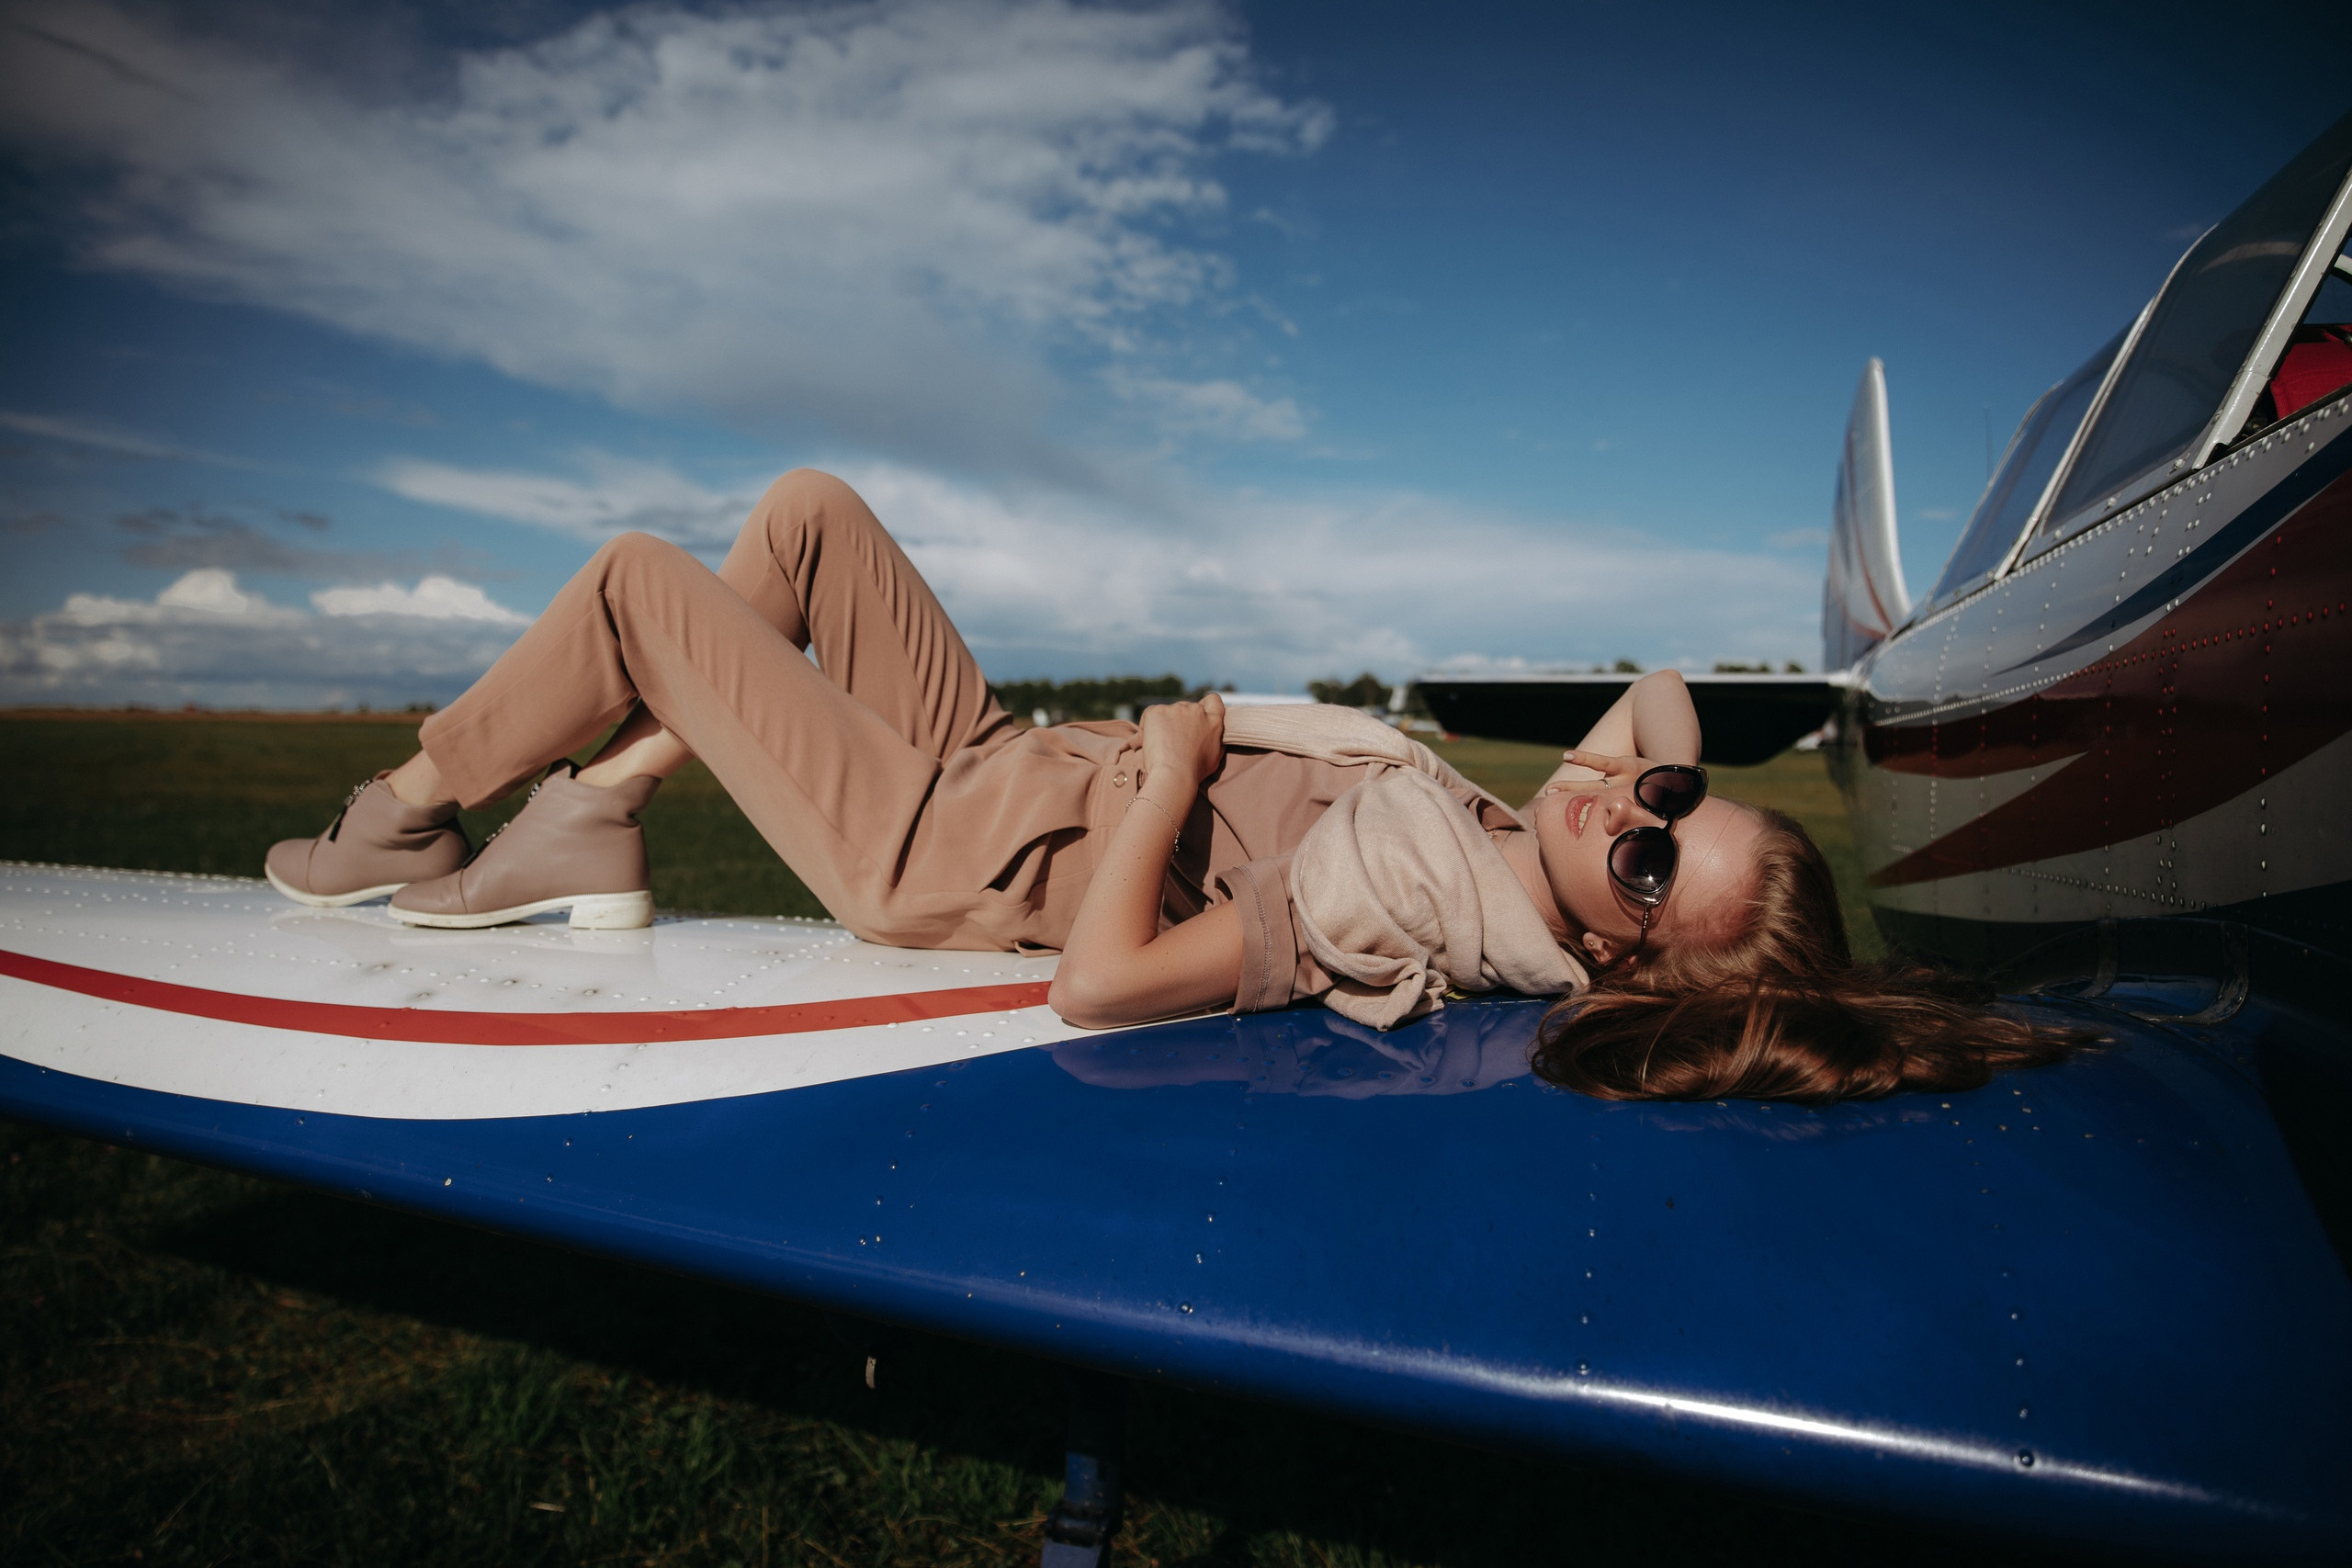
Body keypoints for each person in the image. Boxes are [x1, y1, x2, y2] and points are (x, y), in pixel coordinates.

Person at [264, 468, 2090, 1100]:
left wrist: (1174, 767)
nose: (1629, 813)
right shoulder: (1518, 845)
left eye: (1642, 872)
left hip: (951, 850)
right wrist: (1656, 794)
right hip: (1001, 767)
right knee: (809, 514)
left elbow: (1103, 980)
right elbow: (1653, 715)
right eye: (1669, 809)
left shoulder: (1408, 894)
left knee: (633, 582)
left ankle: (402, 809)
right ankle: (600, 808)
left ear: (1616, 968)